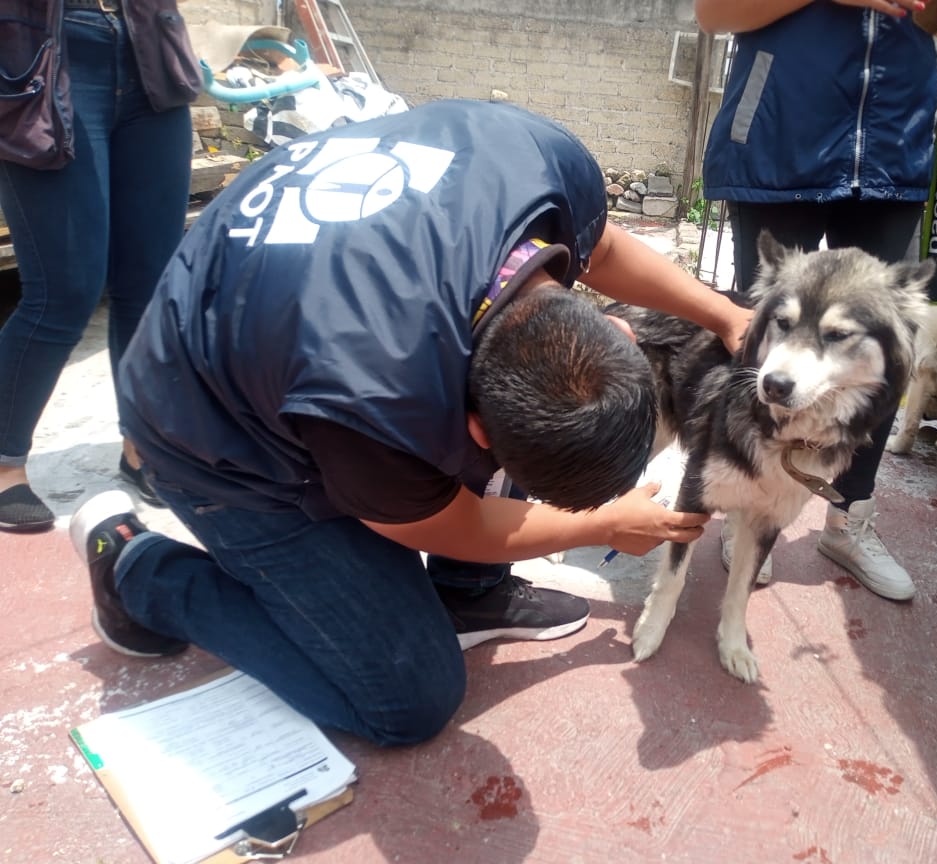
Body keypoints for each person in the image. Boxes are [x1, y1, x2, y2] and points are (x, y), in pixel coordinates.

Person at [69, 98, 753, 747]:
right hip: (208, 430)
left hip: (294, 317)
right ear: (476, 438)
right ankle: (136, 565)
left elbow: (597, 249)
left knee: (535, 415)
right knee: (407, 700)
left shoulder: (541, 167)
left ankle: (467, 593)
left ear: (618, 334)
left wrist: (723, 315)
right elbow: (452, 521)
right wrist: (600, 525)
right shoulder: (372, 408)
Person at [697, 0, 937, 601]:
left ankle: (849, 517)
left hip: (895, 145)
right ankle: (749, 510)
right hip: (781, 136)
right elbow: (712, 11)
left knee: (879, 355)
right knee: (767, 345)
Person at [0, 0, 201, 532]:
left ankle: (142, 452)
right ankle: (4, 465)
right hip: (43, 49)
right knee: (64, 293)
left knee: (150, 286)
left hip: (147, 47)